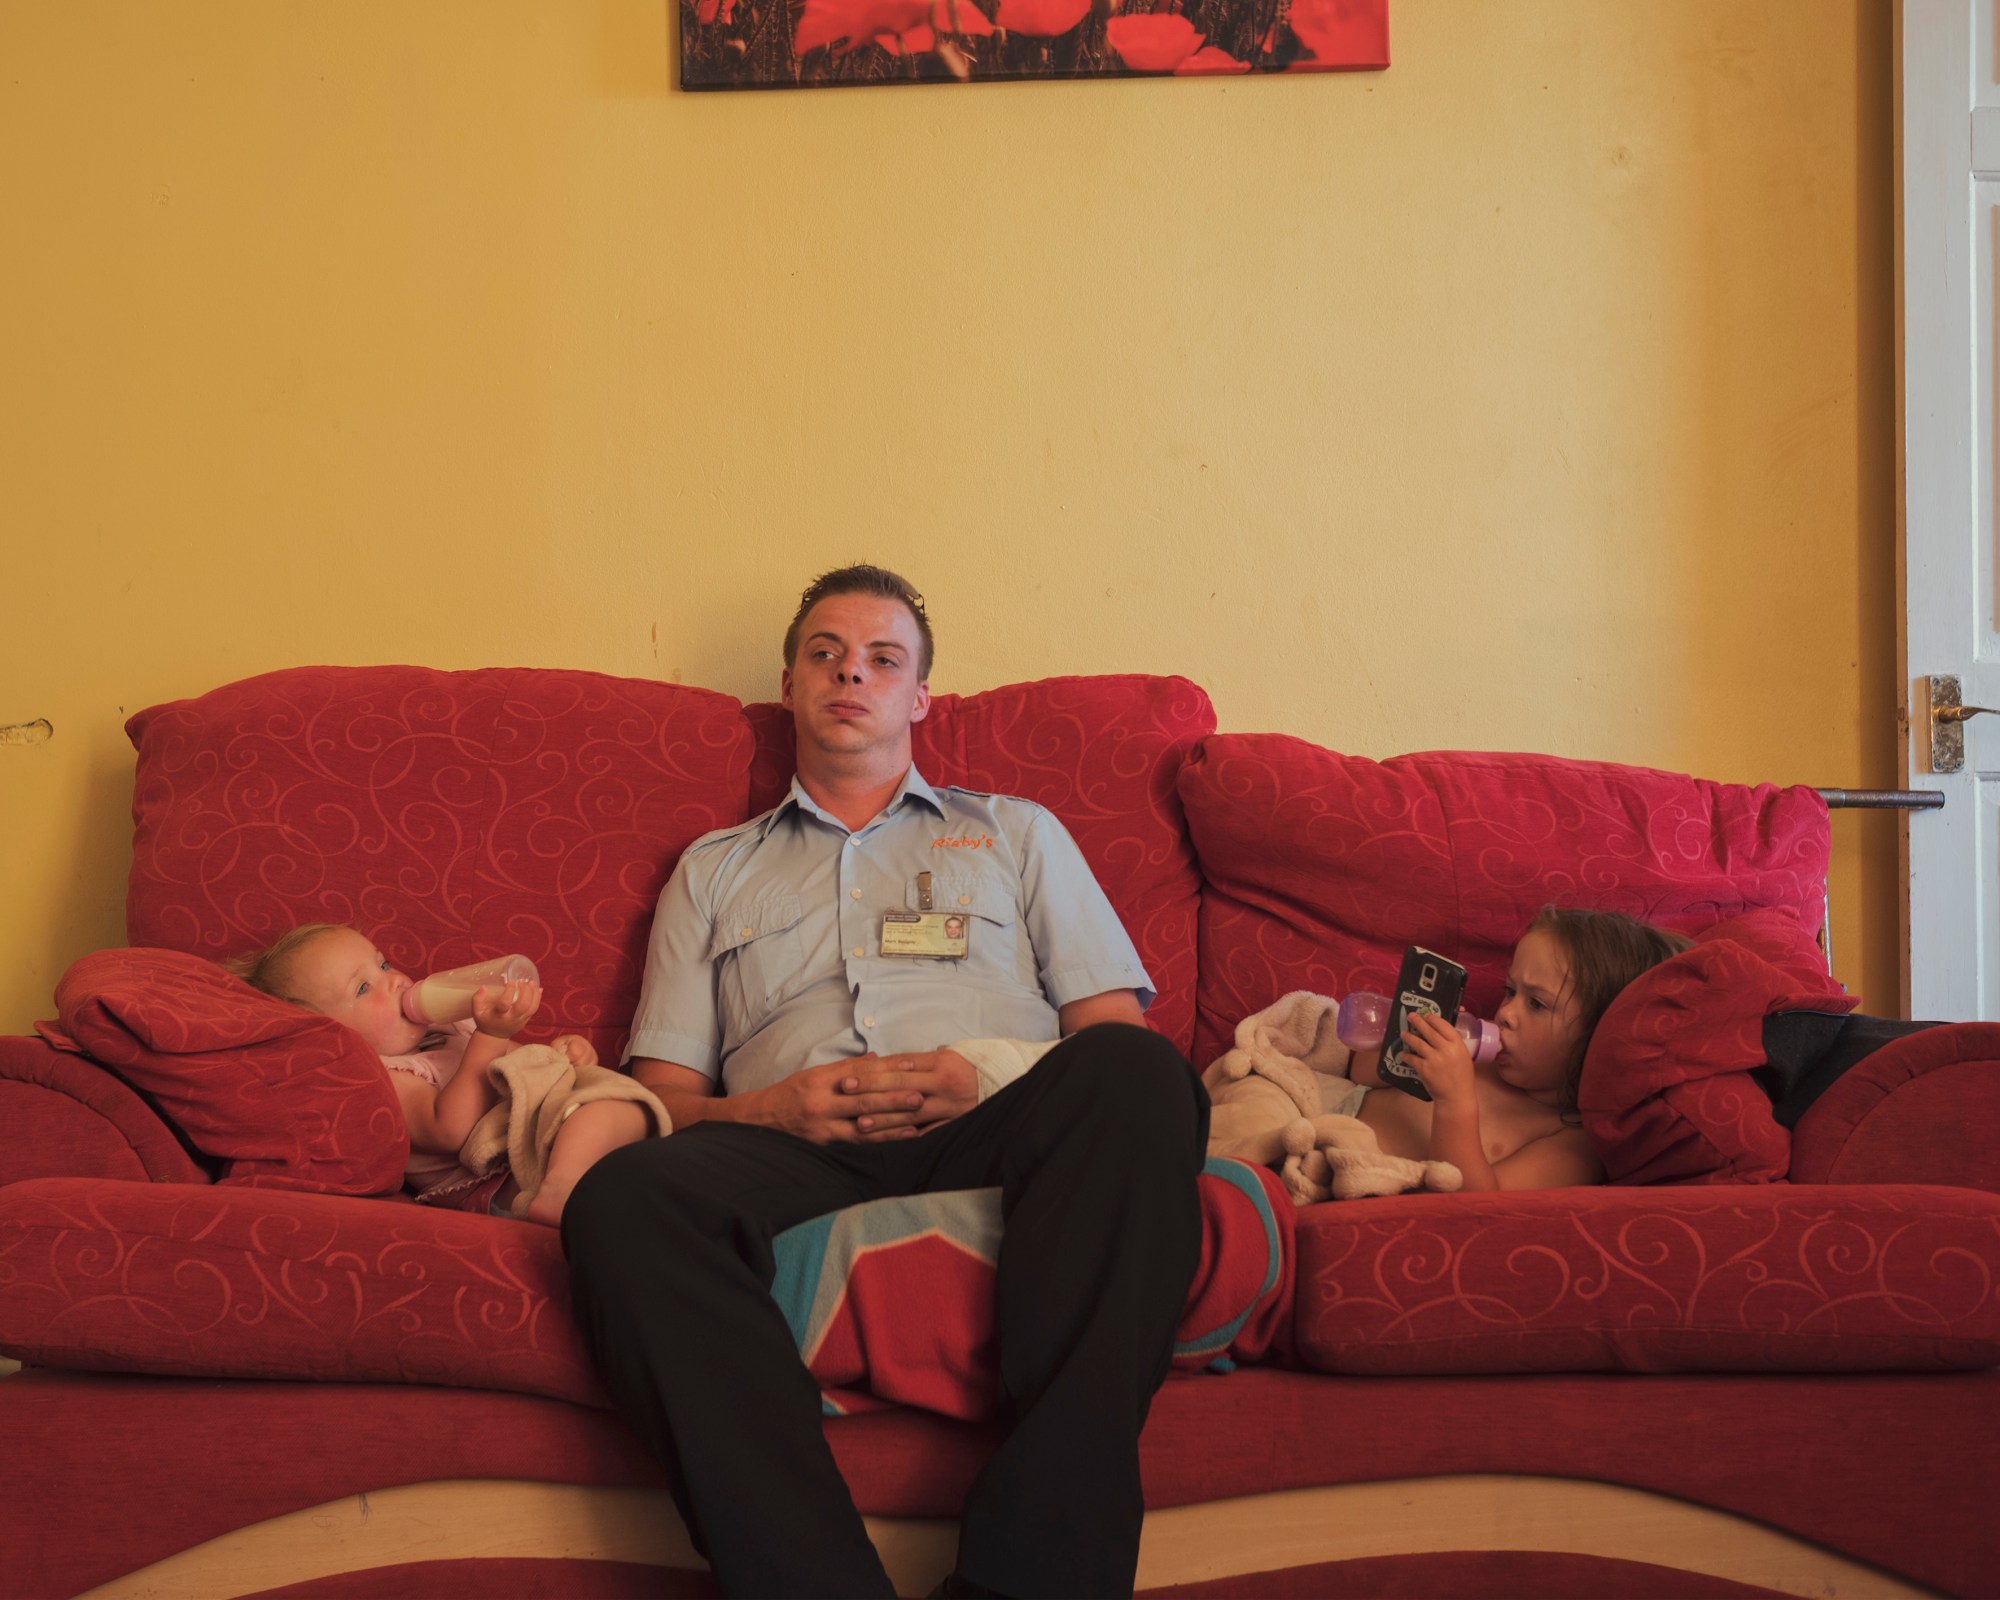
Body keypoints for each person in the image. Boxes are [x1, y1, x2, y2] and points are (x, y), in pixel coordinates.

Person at [561, 564, 1209, 1599]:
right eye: (824, 653)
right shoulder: (712, 869)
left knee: (1141, 1080)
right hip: (790, 1142)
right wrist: (767, 1107)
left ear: (917, 697)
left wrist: (987, 1073)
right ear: (789, 685)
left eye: (880, 657)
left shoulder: (1014, 832)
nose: (848, 672)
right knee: (623, 1199)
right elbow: (661, 1102)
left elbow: (1112, 1035)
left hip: (994, 1118)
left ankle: (1028, 1581)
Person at [225, 923, 656, 1225]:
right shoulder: (381, 1075)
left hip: (539, 1133)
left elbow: (521, 1065)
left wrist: (563, 1054)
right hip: (498, 1178)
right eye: (363, 988)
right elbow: (451, 1129)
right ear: (330, 1035)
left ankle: (585, 1178)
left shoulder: (450, 1028)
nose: (392, 981)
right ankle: (561, 1190)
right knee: (598, 1110)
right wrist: (489, 1035)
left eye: (383, 964)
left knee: (627, 1103)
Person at [1348, 907, 1690, 1190]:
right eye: (1511, 990)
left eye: (1537, 1004)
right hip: (1329, 1113)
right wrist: (1408, 1038)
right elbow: (1357, 1071)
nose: (1506, 1014)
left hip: (1362, 1177)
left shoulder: (1571, 1143)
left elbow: (1480, 1208)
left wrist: (1455, 1102)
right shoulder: (1480, 1060)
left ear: (1600, 1037)